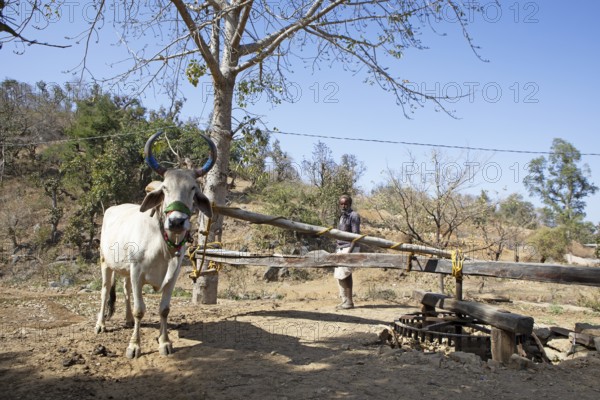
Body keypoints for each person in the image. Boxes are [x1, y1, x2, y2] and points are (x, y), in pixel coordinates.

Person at [334, 194, 360, 309]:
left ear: (350, 204)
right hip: (340, 248)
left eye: (346, 203)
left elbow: (356, 235)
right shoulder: (341, 216)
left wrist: (350, 252)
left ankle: (349, 302)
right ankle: (344, 301)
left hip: (349, 247)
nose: (343, 206)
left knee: (346, 274)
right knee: (339, 275)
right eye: (342, 203)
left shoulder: (353, 216)